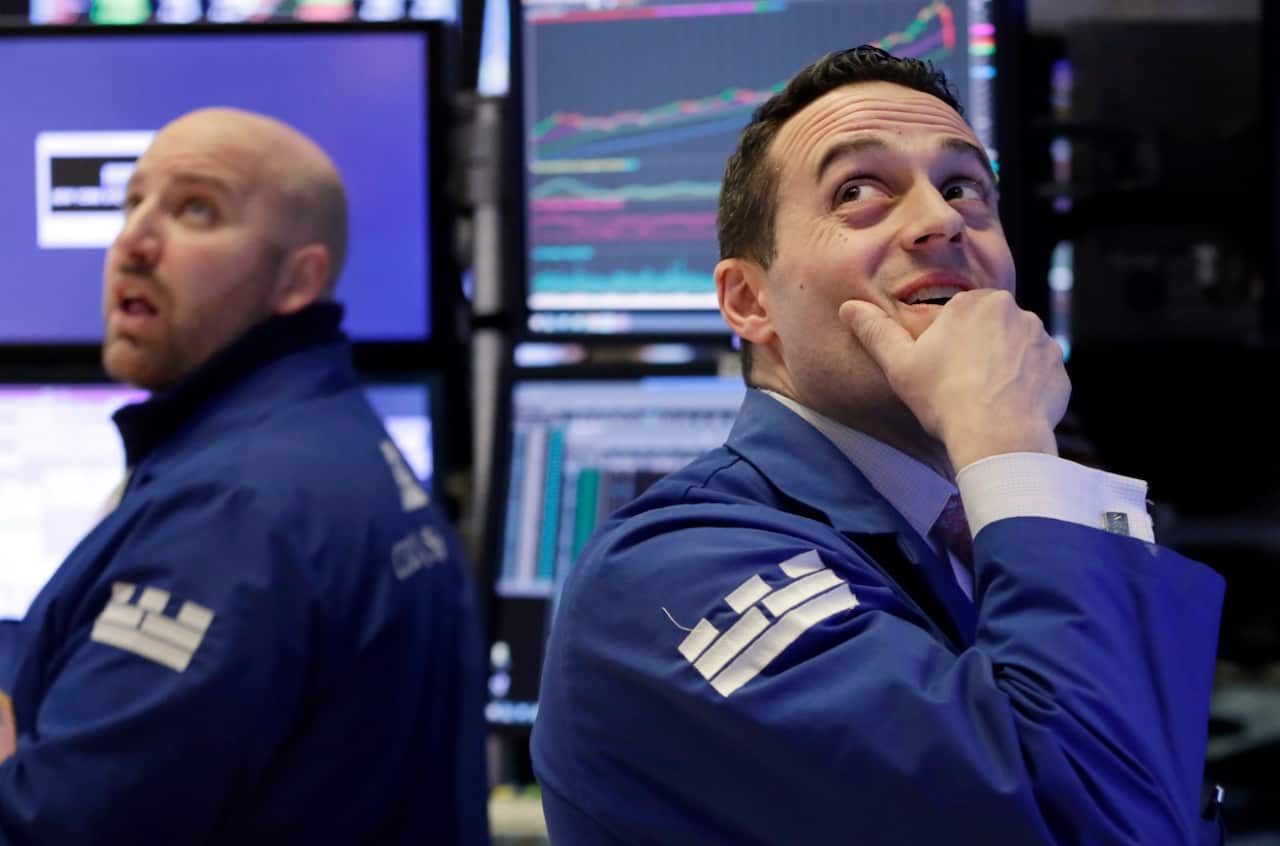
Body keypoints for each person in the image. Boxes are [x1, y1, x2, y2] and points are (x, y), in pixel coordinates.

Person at [532, 47, 1225, 844]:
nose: (942, 218)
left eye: (965, 187)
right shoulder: (668, 575)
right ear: (749, 300)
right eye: (858, 191)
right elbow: (1077, 825)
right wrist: (1011, 444)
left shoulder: (988, 529)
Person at [0, 108, 489, 844]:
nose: (133, 241)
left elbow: (49, 827)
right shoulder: (329, 439)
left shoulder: (231, 514)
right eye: (132, 203)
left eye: (197, 209)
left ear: (298, 279)